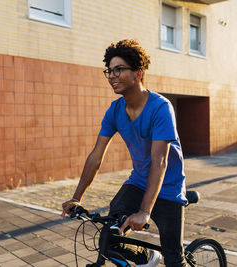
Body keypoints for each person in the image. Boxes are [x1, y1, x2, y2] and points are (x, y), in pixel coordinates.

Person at [61, 39, 187, 267]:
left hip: (168, 188)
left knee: (174, 259)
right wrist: (76, 197)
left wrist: (144, 211)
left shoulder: (160, 108)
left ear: (138, 74)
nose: (112, 76)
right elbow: (96, 155)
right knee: (109, 237)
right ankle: (147, 258)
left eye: (119, 69)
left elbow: (159, 162)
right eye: (109, 71)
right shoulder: (115, 110)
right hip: (137, 183)